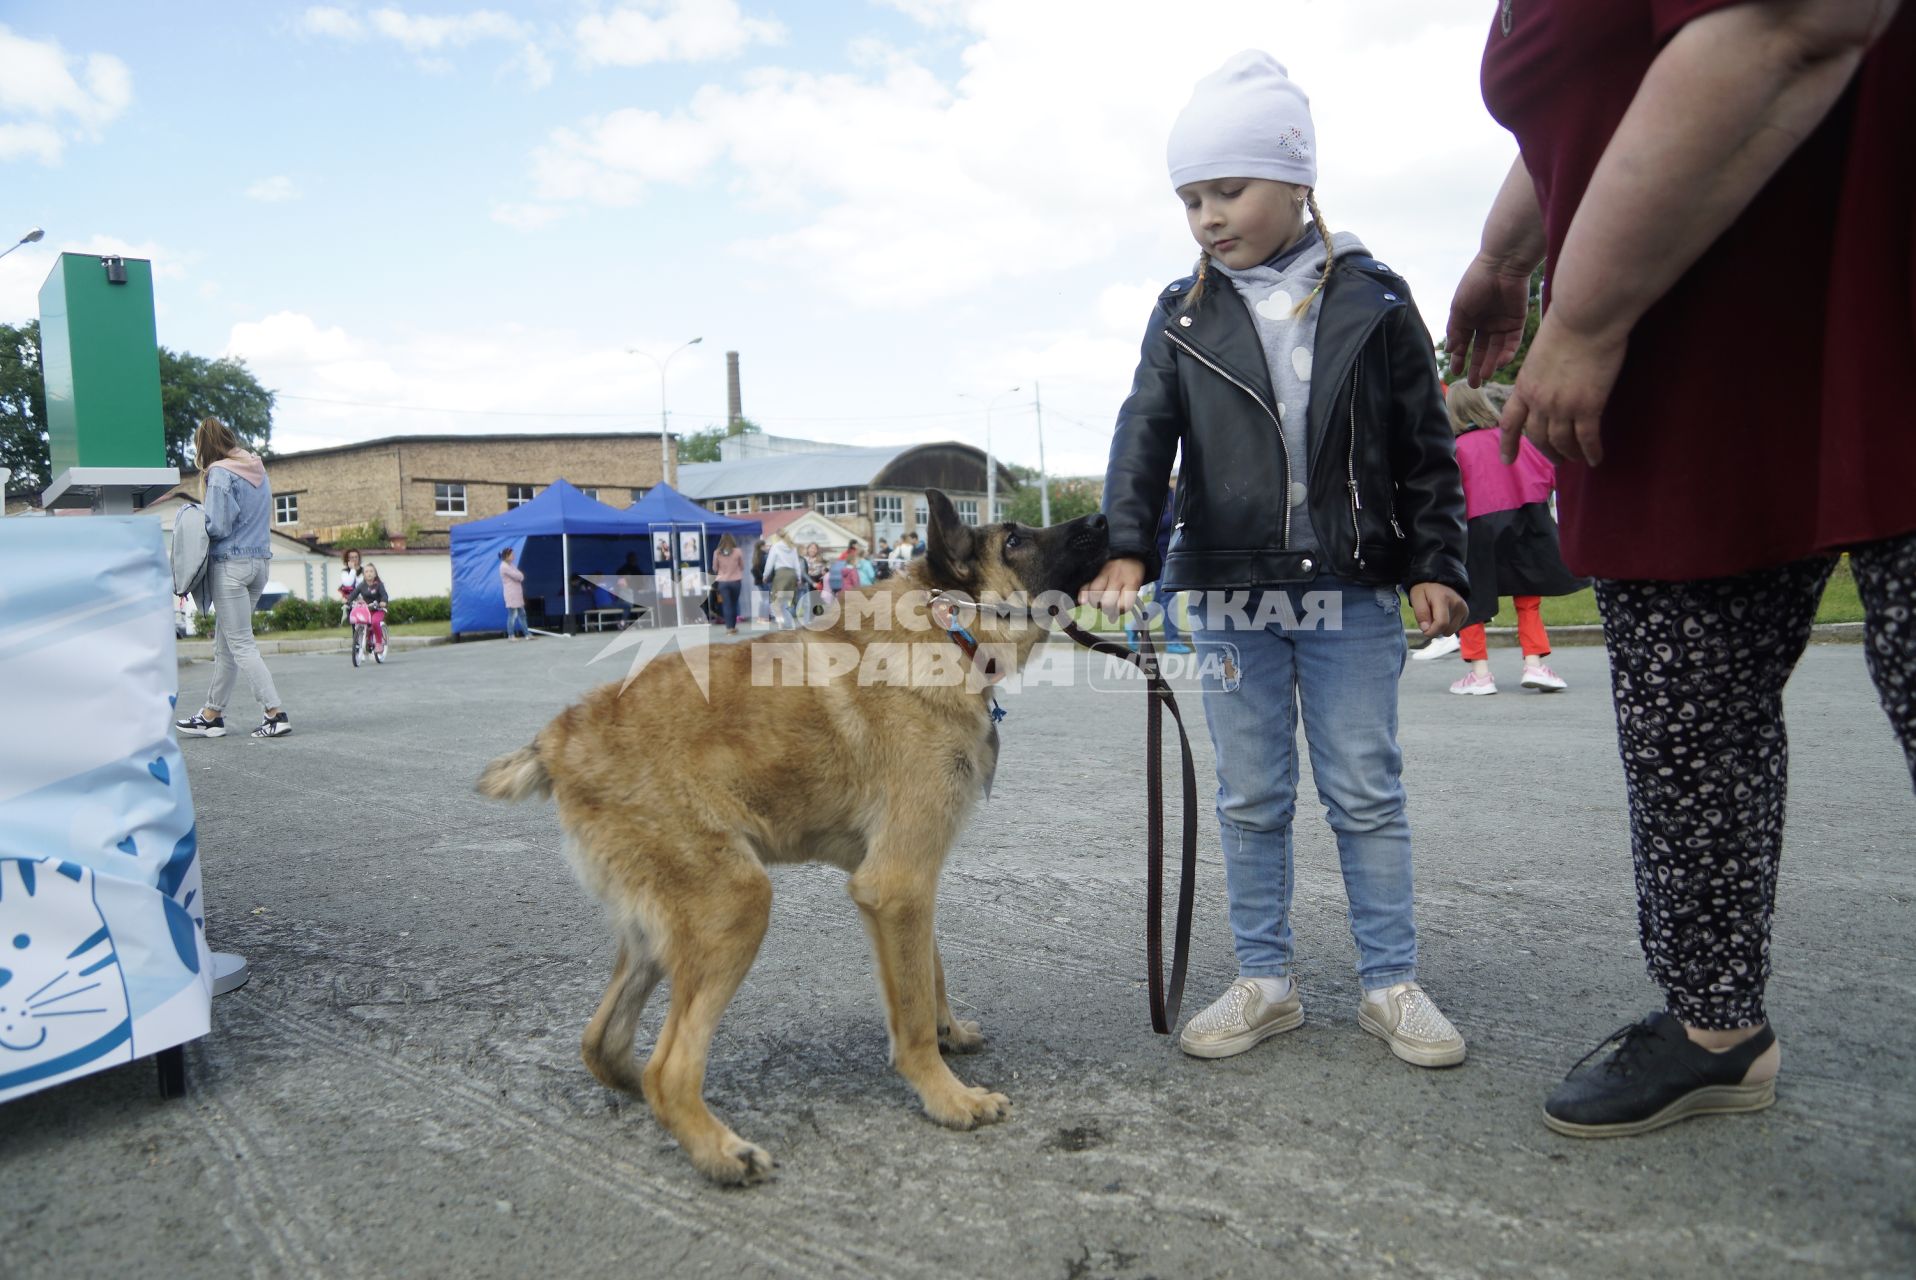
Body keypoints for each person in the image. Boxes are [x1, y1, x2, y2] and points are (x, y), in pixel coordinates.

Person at [1450, 0, 1914, 1136]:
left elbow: (1794, 22)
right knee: (1684, 721)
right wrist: (1506, 251)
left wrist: (1588, 314)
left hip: (1868, 272)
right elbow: (1583, 86)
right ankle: (1715, 1025)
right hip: (1682, 348)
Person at [1083, 51, 1471, 1068]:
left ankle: (1388, 981)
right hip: (1225, 592)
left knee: (1363, 787)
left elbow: (1426, 447)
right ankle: (1265, 978)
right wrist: (1127, 544)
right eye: (1189, 198)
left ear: (1297, 179)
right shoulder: (1180, 311)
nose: (1207, 215)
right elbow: (1142, 433)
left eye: (1228, 189)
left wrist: (1438, 561)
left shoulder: (1377, 302)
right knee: (1250, 793)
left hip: (1352, 587)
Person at [1435, 382, 1582, 696]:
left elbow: (1445, 495)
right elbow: (1549, 475)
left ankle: (1480, 674)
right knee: (1528, 596)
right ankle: (1534, 665)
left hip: (1474, 529)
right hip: (1523, 521)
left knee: (1472, 600)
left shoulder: (1455, 449)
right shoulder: (1514, 440)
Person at [175, 416, 293, 739]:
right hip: (259, 565)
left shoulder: (219, 473)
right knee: (227, 644)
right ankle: (212, 715)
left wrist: (195, 524)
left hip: (229, 566)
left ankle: (275, 712)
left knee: (240, 644)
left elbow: (219, 526)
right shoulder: (257, 469)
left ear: (205, 447)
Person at [1124, 489, 1191, 655]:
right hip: (1159, 558)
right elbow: (1151, 524)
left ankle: (1133, 626)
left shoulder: (1171, 493)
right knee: (1169, 599)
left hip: (1171, 555)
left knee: (1160, 601)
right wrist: (1177, 517)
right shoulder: (1149, 495)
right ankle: (1172, 641)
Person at [350, 562, 391, 661]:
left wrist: (383, 602)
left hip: (378, 610)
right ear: (364, 574)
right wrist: (348, 602)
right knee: (359, 621)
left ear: (375, 574)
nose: (369, 573)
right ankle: (362, 641)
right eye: (366, 571)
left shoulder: (379, 585)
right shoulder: (361, 585)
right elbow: (353, 595)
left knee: (375, 622)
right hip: (367, 610)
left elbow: (384, 595)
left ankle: (378, 643)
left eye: (371, 571)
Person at [764, 533, 803, 629]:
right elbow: (796, 563)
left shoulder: (776, 546)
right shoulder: (792, 547)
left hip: (781, 574)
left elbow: (770, 562)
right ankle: (788, 623)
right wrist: (799, 577)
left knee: (775, 602)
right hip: (792, 575)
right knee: (784, 601)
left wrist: (765, 574)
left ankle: (782, 623)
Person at [710, 533, 745, 635]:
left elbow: (715, 568)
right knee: (734, 604)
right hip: (736, 582)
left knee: (726, 605)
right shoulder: (738, 551)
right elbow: (742, 566)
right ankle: (733, 626)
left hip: (723, 582)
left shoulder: (717, 553)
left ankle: (729, 628)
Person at [498, 547, 528, 640]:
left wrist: (519, 576)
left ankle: (527, 634)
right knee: (512, 614)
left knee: (522, 614)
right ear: (507, 556)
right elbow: (517, 576)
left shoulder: (511, 565)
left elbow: (521, 576)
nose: (514, 556)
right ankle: (511, 635)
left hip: (517, 593)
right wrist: (519, 576)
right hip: (511, 593)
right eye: (512, 554)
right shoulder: (504, 566)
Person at [338, 548, 364, 625]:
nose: (354, 559)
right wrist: (353, 570)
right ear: (347, 559)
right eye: (352, 557)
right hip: (352, 600)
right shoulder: (345, 572)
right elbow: (348, 583)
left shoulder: (364, 570)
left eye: (356, 557)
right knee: (355, 623)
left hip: (364, 599)